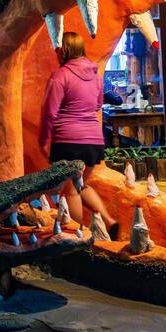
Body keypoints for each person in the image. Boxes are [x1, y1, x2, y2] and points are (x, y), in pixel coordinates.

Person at [39, 32, 119, 238]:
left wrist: (43, 139)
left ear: (64, 50)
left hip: (68, 139)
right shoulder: (96, 75)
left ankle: (78, 233)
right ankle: (109, 221)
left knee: (71, 190)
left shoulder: (60, 76)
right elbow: (98, 105)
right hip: (93, 140)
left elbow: (49, 112)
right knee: (82, 184)